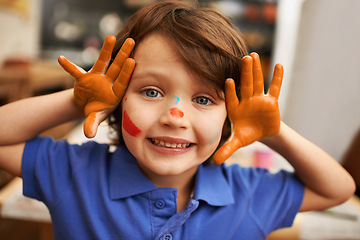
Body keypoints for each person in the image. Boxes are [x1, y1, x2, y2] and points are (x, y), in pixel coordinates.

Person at [0, 1, 355, 239]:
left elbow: (337, 189)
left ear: (230, 113)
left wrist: (273, 133)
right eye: (151, 91)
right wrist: (77, 102)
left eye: (203, 99)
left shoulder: (248, 195)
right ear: (118, 99)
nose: (175, 117)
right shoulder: (74, 174)